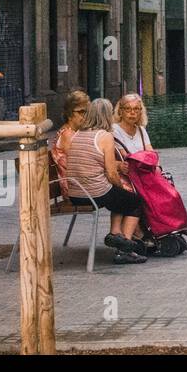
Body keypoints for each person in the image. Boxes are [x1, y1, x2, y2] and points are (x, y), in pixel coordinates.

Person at [54, 91, 149, 265]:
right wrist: (120, 185)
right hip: (93, 192)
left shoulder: (77, 134)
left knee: (120, 198)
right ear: (107, 116)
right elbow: (112, 174)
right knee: (133, 201)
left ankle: (115, 234)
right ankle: (125, 247)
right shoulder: (105, 136)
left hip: (75, 192)